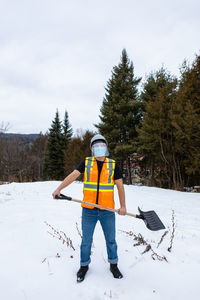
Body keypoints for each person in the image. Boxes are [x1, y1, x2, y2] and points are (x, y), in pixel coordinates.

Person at [52, 134, 127, 282]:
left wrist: (123, 206)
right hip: (89, 210)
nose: (99, 148)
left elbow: (120, 186)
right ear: (92, 149)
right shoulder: (86, 163)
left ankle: (114, 265)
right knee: (86, 241)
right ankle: (84, 266)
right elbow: (73, 175)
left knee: (111, 240)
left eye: (101, 146)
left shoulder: (113, 165)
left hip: (107, 211)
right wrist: (58, 188)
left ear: (106, 148)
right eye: (96, 146)